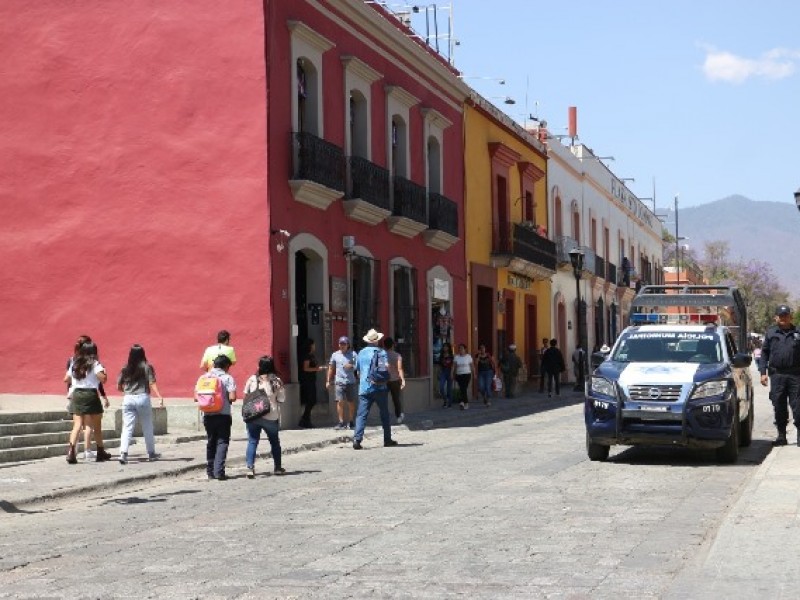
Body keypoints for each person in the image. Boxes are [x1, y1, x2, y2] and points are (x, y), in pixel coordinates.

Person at [758, 304, 800, 446]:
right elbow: (764, 353)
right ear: (776, 317)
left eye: (786, 315)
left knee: (798, 406)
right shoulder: (771, 333)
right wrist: (762, 372)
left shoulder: (798, 332)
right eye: (781, 316)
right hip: (777, 375)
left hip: (796, 375)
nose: (783, 318)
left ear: (790, 317)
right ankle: (781, 436)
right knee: (779, 405)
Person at [64, 342, 111, 463]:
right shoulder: (94, 363)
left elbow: (66, 379)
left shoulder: (75, 363)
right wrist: (104, 372)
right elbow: (103, 379)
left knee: (77, 425)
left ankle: (71, 452)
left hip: (77, 394)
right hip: (90, 394)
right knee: (96, 425)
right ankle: (100, 451)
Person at [116, 344, 164, 465]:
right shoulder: (147, 367)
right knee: (147, 426)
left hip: (128, 398)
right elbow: (152, 382)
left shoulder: (125, 368)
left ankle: (123, 453)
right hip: (142, 397)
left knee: (127, 427)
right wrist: (159, 396)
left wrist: (126, 391)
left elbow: (119, 386)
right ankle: (151, 453)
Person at [352, 328, 397, 450]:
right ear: (377, 340)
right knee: (384, 414)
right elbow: (386, 368)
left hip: (364, 388)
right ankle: (387, 439)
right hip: (380, 387)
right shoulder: (381, 352)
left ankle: (357, 439)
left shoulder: (361, 353)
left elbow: (358, 371)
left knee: (361, 415)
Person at [242, 355, 285, 478]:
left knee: (252, 441)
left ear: (259, 366)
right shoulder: (276, 381)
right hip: (271, 415)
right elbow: (282, 399)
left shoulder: (252, 379)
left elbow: (245, 396)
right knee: (274, 442)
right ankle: (277, 467)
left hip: (253, 416)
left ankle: (250, 468)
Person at [201, 354, 236, 480]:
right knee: (222, 442)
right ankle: (219, 472)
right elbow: (232, 397)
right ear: (226, 366)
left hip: (207, 415)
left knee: (211, 442)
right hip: (223, 415)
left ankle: (210, 472)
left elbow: (196, 397)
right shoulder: (228, 378)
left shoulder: (204, 377)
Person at [326, 336, 358, 430]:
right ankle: (341, 422)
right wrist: (328, 380)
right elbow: (331, 368)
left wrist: (351, 366)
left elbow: (358, 365)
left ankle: (351, 421)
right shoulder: (335, 355)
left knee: (350, 402)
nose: (342, 345)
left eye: (344, 344)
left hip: (350, 381)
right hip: (339, 381)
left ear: (348, 345)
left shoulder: (353, 354)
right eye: (340, 343)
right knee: (339, 401)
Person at [299, 338, 326, 428]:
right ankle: (305, 419)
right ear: (310, 345)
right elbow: (305, 368)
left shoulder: (311, 355)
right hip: (307, 380)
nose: (314, 346)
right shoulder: (307, 356)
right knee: (311, 400)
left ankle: (306, 419)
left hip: (312, 379)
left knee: (312, 400)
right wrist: (317, 369)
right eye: (313, 344)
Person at [383, 337, 406, 424]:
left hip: (384, 380)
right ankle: (398, 416)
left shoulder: (382, 355)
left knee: (383, 399)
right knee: (396, 399)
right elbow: (400, 369)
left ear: (384, 345)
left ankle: (385, 416)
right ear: (393, 345)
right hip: (395, 380)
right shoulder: (397, 356)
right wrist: (403, 380)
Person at [474, 343, 497, 409]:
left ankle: (488, 400)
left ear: (485, 349)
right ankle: (484, 396)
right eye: (481, 348)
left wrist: (495, 372)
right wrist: (478, 356)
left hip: (489, 372)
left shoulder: (489, 355)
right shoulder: (477, 356)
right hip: (481, 372)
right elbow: (476, 363)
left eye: (483, 348)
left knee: (487, 386)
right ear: (479, 350)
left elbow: (494, 362)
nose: (482, 350)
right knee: (481, 386)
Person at [437, 342, 454, 408]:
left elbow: (453, 365)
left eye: (446, 347)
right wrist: (438, 372)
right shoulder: (441, 356)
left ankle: (449, 402)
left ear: (448, 348)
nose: (445, 348)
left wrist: (452, 373)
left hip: (450, 371)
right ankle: (445, 400)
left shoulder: (451, 356)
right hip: (443, 372)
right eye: (444, 347)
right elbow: (439, 365)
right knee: (441, 387)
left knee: (449, 389)